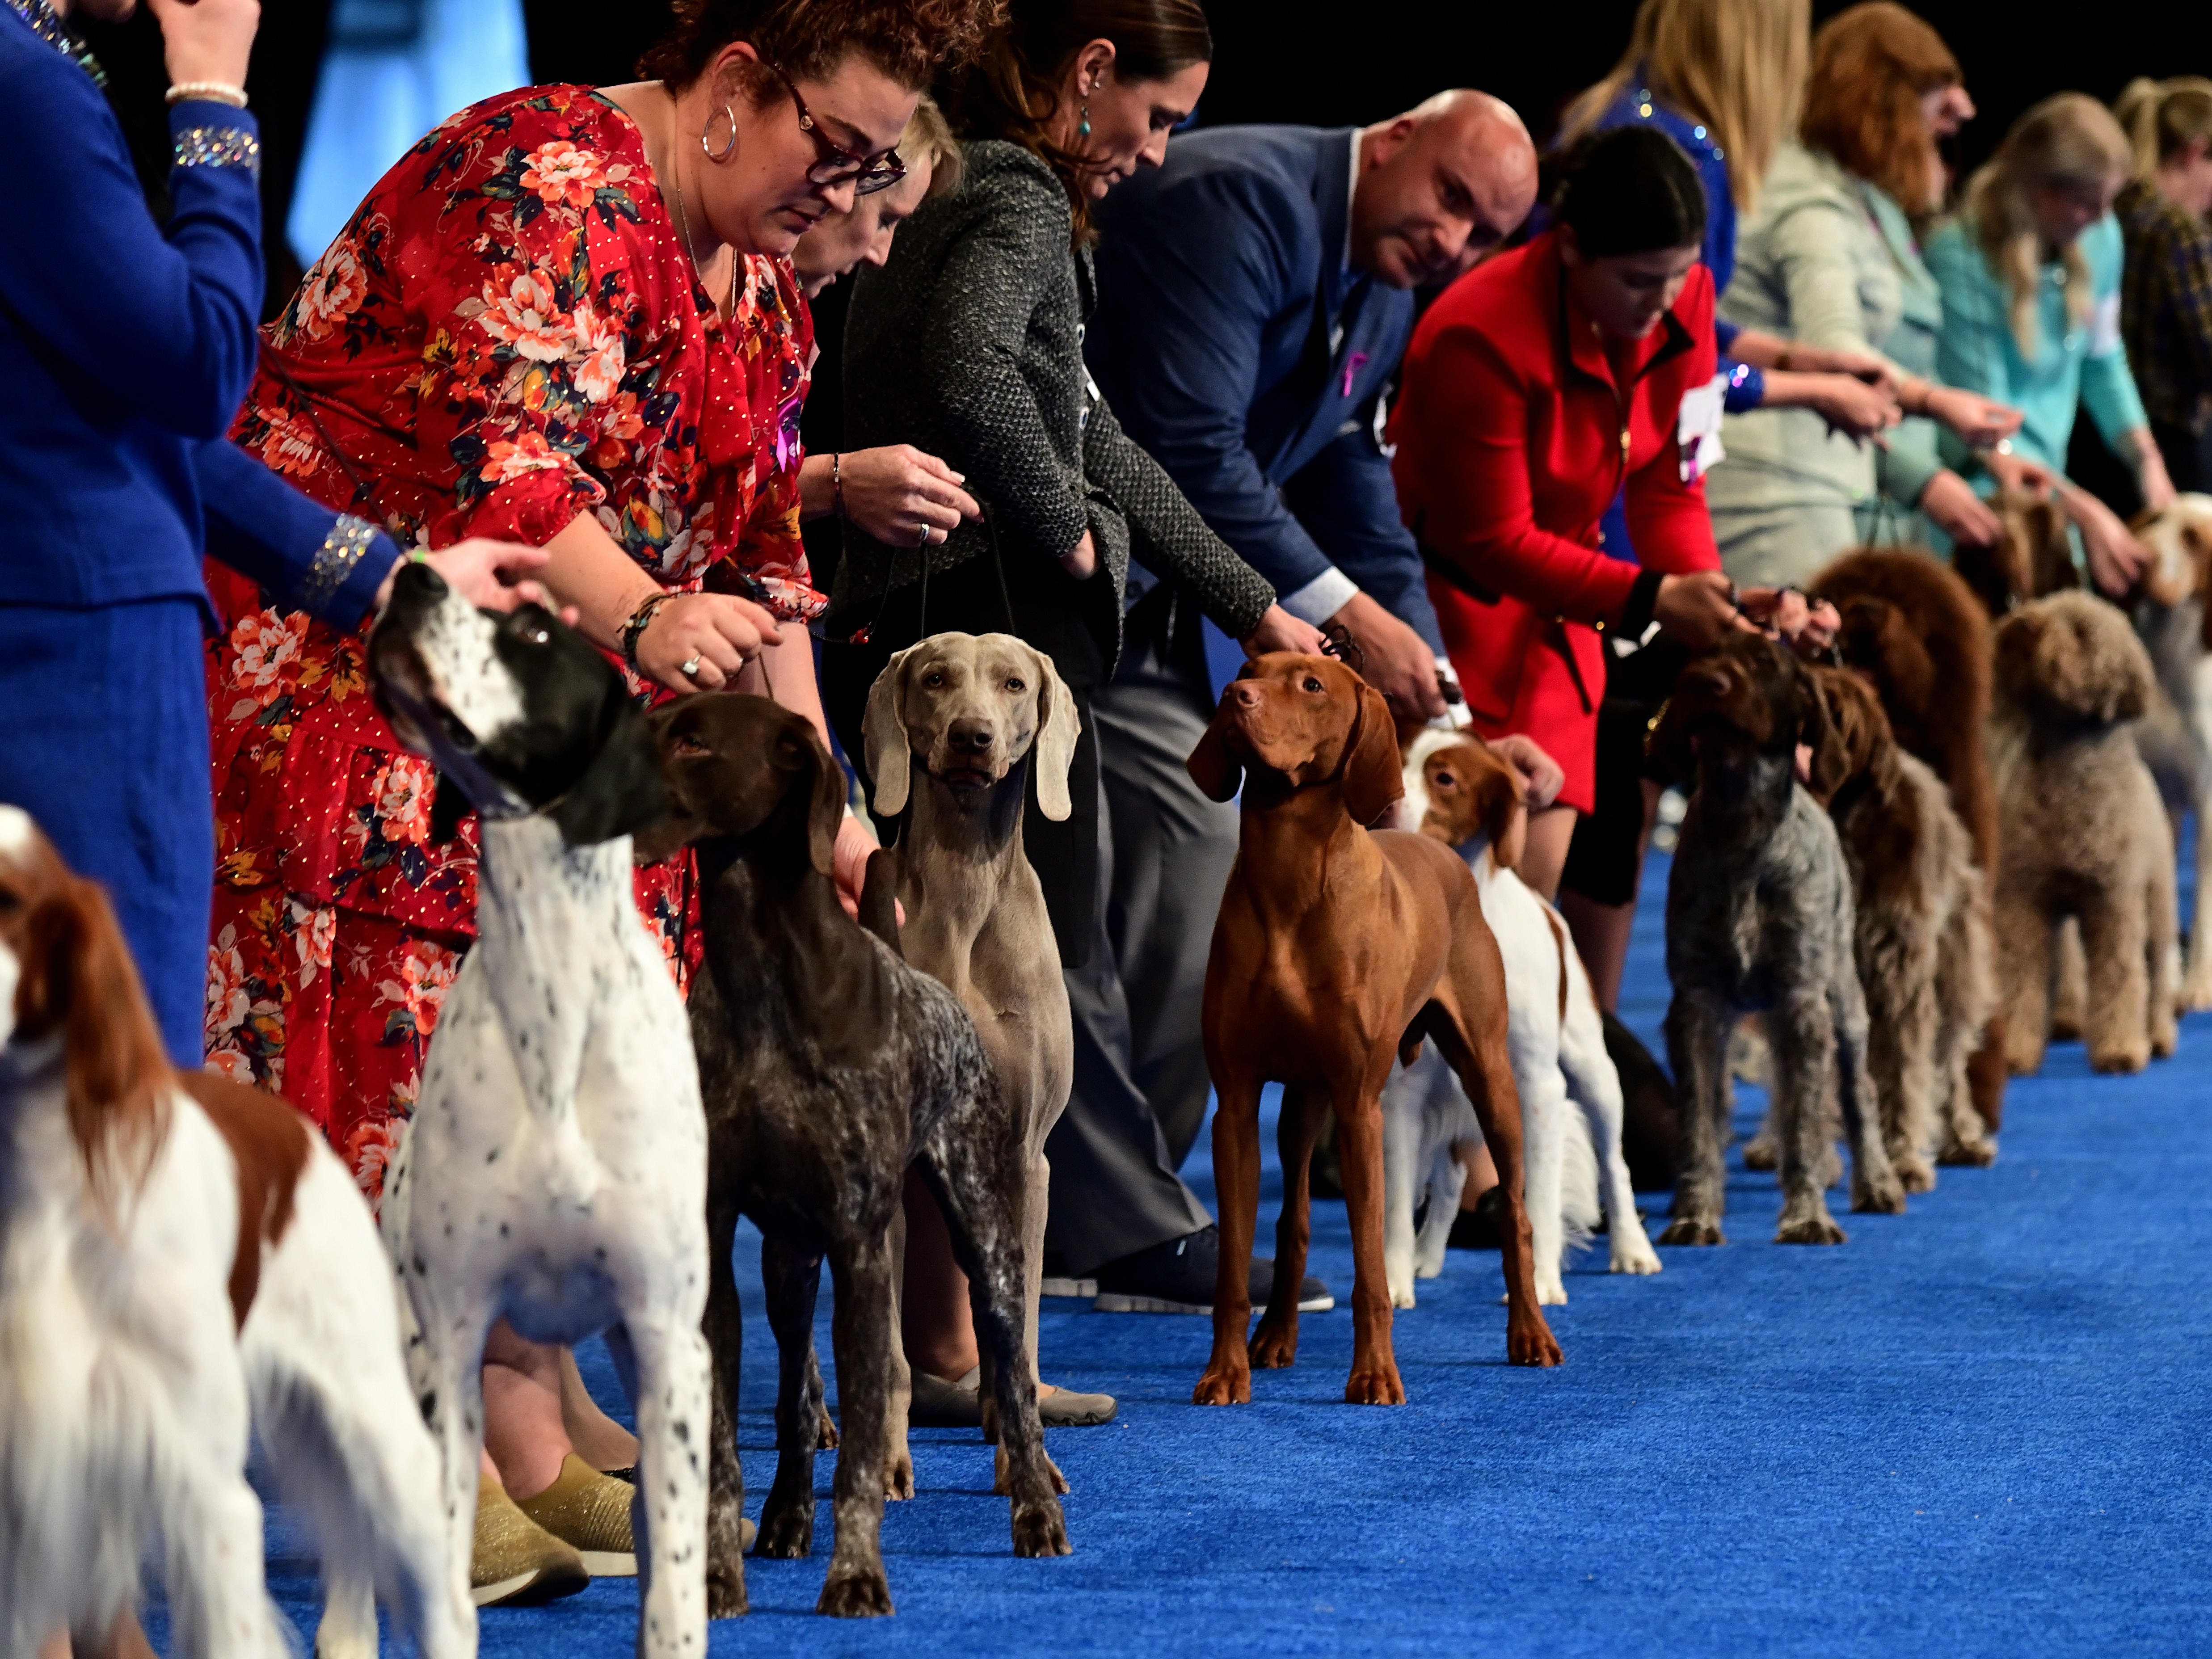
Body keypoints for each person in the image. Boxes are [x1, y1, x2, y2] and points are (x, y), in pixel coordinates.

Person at [209, 0, 995, 1601]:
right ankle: (404, 1444)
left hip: (541, 680)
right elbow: (514, 487)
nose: (848, 202)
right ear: (726, 94)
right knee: (422, 1045)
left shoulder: (754, 283)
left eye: (870, 172)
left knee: (600, 969)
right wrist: (643, 619)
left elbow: (759, 565)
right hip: (361, 629)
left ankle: (528, 1400)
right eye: (834, 158)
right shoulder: (546, 175)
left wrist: (826, 803)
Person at [826, 0, 1321, 1417]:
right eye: (1155, 116)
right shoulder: (1018, 191)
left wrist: (1246, 599)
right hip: (979, 638)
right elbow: (992, 381)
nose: (1156, 153)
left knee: (950, 1009)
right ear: (1088, 74)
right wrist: (1069, 536)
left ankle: (958, 1354)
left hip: (933, 622)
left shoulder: (963, 176)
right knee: (986, 1003)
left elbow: (1100, 431)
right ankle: (970, 1348)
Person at [1048, 89, 1540, 1310]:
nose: (1454, 248)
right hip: (1074, 596)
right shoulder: (1241, 201)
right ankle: (1099, 1224)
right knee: (1184, 866)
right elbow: (1191, 447)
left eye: (1483, 239)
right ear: (1392, 143)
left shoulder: (1377, 263)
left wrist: (1427, 675)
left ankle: (1114, 1210)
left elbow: (1339, 462)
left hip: (1185, 614)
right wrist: (1343, 616)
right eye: (1450, 205)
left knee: (1168, 878)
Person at [0, 0, 544, 1076]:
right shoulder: (23, 85)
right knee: (110, 1103)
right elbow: (202, 368)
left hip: (68, 642)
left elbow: (121, 414)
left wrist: (390, 584)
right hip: (77, 668)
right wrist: (212, 96)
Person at [1546, 0, 1892, 1017]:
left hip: (1621, 506)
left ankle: (1573, 1057)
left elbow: (1689, 331)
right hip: (1600, 527)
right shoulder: (1683, 144)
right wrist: (1806, 385)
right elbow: (1675, 360)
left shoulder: (1607, 115)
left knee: (1599, 798)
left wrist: (1804, 364)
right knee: (1600, 796)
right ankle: (1575, 1054)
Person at [1706, 2, 2023, 585]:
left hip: (1823, 478)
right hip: (1773, 488)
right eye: (1934, 94)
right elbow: (1843, 364)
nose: (1961, 111)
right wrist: (1925, 447)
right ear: (1881, 101)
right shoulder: (1810, 204)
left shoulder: (1859, 196)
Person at [1929, 93, 2175, 596]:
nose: (2101, 218)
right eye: (2086, 203)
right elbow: (1988, 432)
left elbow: (2102, 361)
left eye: (2108, 201)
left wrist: (2146, 461)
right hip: (1985, 501)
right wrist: (2084, 510)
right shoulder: (1958, 254)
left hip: (2049, 494)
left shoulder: (2101, 236)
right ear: (2035, 189)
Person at [2112, 76, 2212, 494]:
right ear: (2195, 153)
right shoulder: (2177, 230)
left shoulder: (2115, 208)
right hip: (2168, 442)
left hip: (2107, 432)